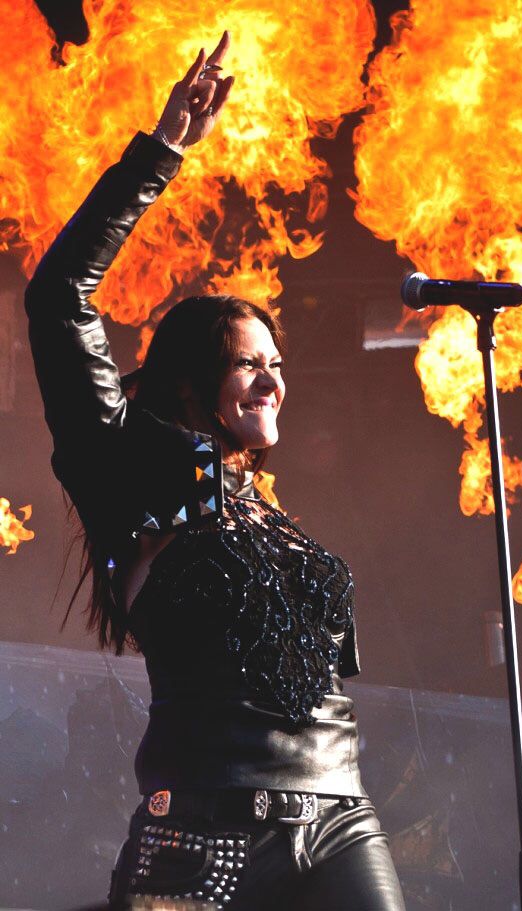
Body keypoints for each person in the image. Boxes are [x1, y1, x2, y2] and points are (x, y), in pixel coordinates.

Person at [25, 30, 406, 911]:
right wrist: (159, 155)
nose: (273, 379)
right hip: (202, 828)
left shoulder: (267, 511)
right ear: (193, 384)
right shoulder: (128, 467)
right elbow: (58, 296)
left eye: (277, 362)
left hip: (342, 818)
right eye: (248, 362)